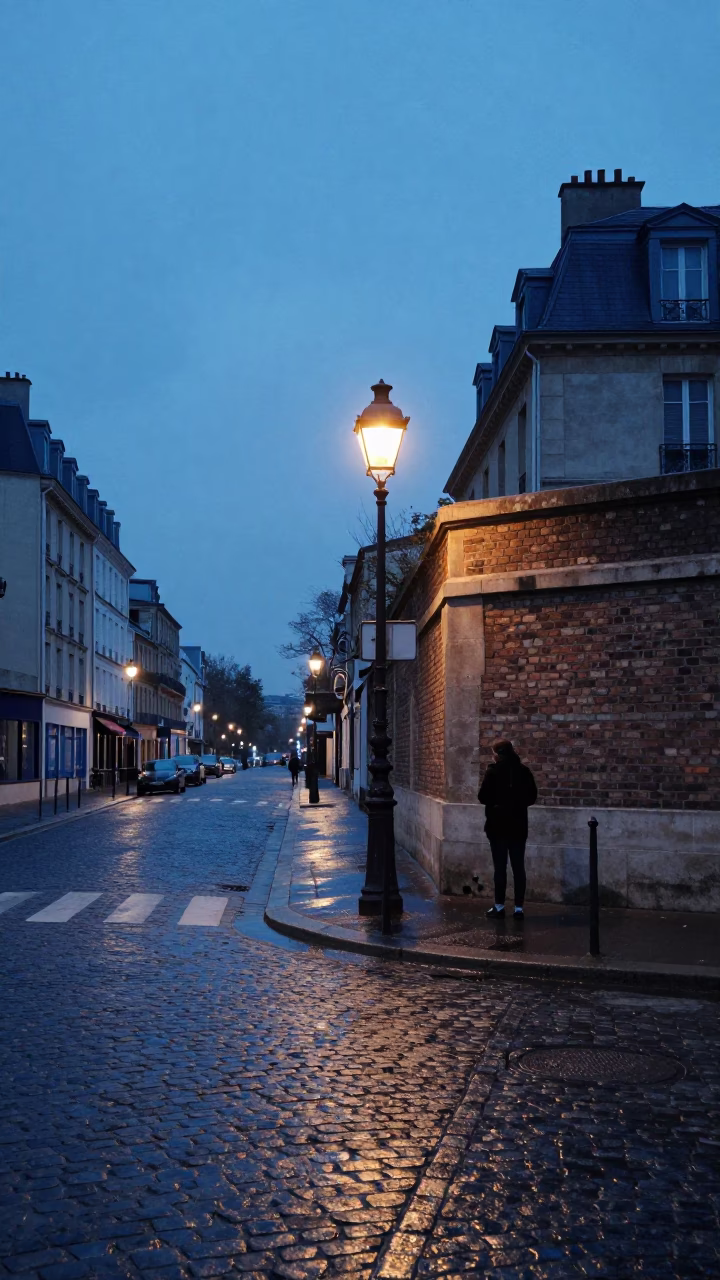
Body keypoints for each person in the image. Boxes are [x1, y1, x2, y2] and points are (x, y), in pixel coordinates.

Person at [478, 739, 537, 919]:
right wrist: (516, 804)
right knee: (518, 867)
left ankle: (499, 906)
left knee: (500, 867)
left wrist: (498, 803)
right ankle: (519, 908)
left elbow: (482, 797)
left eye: (494, 753)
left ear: (497, 755)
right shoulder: (524, 771)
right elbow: (532, 797)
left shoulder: (493, 772)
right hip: (518, 826)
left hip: (498, 826)